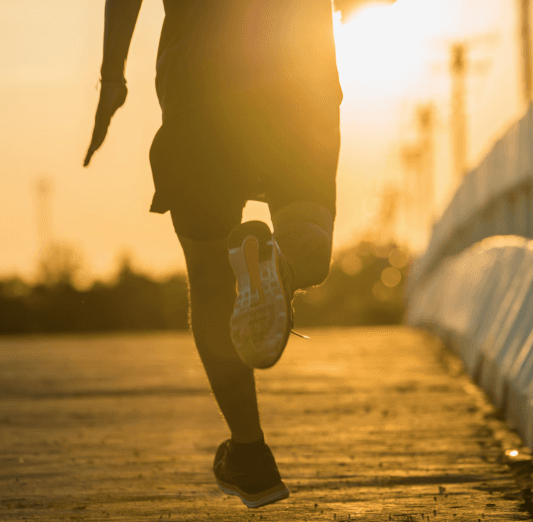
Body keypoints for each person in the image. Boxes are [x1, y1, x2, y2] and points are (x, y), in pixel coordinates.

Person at [84, 0, 342, 509]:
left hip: (198, 84)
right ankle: (280, 267)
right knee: (307, 235)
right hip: (299, 81)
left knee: (208, 275)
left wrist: (112, 79)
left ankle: (249, 454)